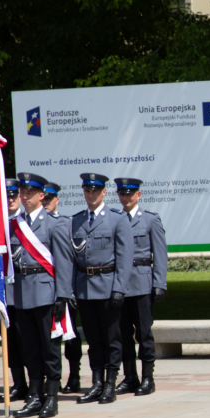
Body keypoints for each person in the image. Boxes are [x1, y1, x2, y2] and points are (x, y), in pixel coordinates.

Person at [8, 173, 72, 418]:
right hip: (23, 293)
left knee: (50, 347)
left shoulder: (54, 224)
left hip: (46, 293)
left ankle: (52, 396)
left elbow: (64, 263)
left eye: (30, 193)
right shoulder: (15, 224)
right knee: (30, 348)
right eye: (22, 193)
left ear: (41, 195)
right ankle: (35, 394)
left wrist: (63, 296)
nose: (25, 197)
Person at [71, 173, 133, 405]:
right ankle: (96, 383)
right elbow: (72, 259)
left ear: (104, 192)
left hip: (107, 286)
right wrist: (71, 290)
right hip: (85, 288)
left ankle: (110, 383)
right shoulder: (76, 220)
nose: (91, 195)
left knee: (112, 338)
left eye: (95, 191)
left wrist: (119, 289)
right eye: (87, 191)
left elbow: (125, 258)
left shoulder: (117, 219)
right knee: (94, 340)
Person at [112, 178, 167, 396]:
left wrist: (159, 283)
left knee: (144, 333)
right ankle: (130, 377)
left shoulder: (150, 220)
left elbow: (160, 253)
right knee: (123, 333)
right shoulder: (115, 220)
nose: (126, 198)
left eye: (130, 194)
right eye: (122, 194)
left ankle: (148, 378)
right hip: (120, 285)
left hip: (142, 282)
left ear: (138, 195)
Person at [42, 182, 83, 393]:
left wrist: (70, 290)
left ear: (57, 200)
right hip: (45, 290)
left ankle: (74, 376)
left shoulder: (68, 223)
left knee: (71, 335)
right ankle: (50, 380)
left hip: (66, 290)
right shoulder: (32, 226)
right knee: (48, 338)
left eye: (50, 199)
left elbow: (72, 260)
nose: (46, 202)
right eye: (44, 198)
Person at [3, 178, 29, 402]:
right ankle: (19, 383)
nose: (10, 200)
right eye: (7, 196)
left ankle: (36, 384)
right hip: (5, 293)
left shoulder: (26, 221)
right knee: (10, 343)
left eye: (14, 196)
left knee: (28, 340)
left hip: (26, 291)